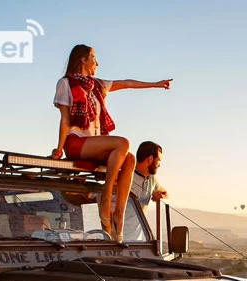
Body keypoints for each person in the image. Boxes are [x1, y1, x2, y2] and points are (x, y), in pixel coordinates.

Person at [50, 44, 171, 243]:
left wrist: (156, 84)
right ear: (83, 59)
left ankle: (118, 215)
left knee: (129, 158)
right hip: (77, 143)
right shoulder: (66, 83)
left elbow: (127, 83)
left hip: (95, 144)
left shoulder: (97, 85)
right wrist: (60, 148)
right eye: (94, 58)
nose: (97, 63)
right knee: (123, 143)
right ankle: (106, 197)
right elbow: (65, 119)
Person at [132, 141, 168, 213]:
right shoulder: (127, 175)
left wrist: (161, 195)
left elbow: (165, 193)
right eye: (158, 160)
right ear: (150, 159)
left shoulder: (152, 178)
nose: (159, 165)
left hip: (141, 224)